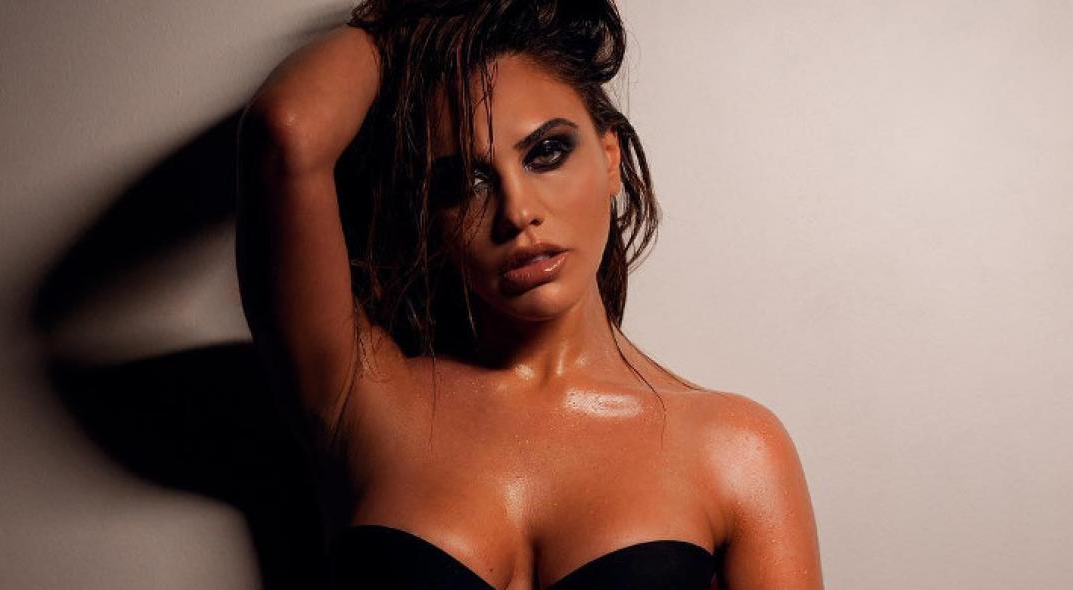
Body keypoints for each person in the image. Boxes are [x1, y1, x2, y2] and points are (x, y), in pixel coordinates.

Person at [236, 1, 822, 587]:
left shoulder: (735, 450)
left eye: (546, 153)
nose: (516, 212)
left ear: (610, 158)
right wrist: (418, 23)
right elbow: (287, 131)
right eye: (465, 182)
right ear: (431, 216)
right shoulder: (363, 397)